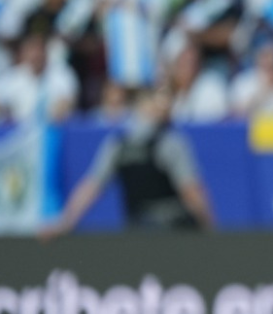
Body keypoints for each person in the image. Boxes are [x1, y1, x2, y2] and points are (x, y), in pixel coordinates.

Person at [38, 85, 214, 238]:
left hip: (137, 232)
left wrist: (65, 223)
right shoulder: (170, 143)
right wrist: (209, 227)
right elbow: (191, 192)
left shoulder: (119, 144)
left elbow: (91, 187)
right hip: (173, 234)